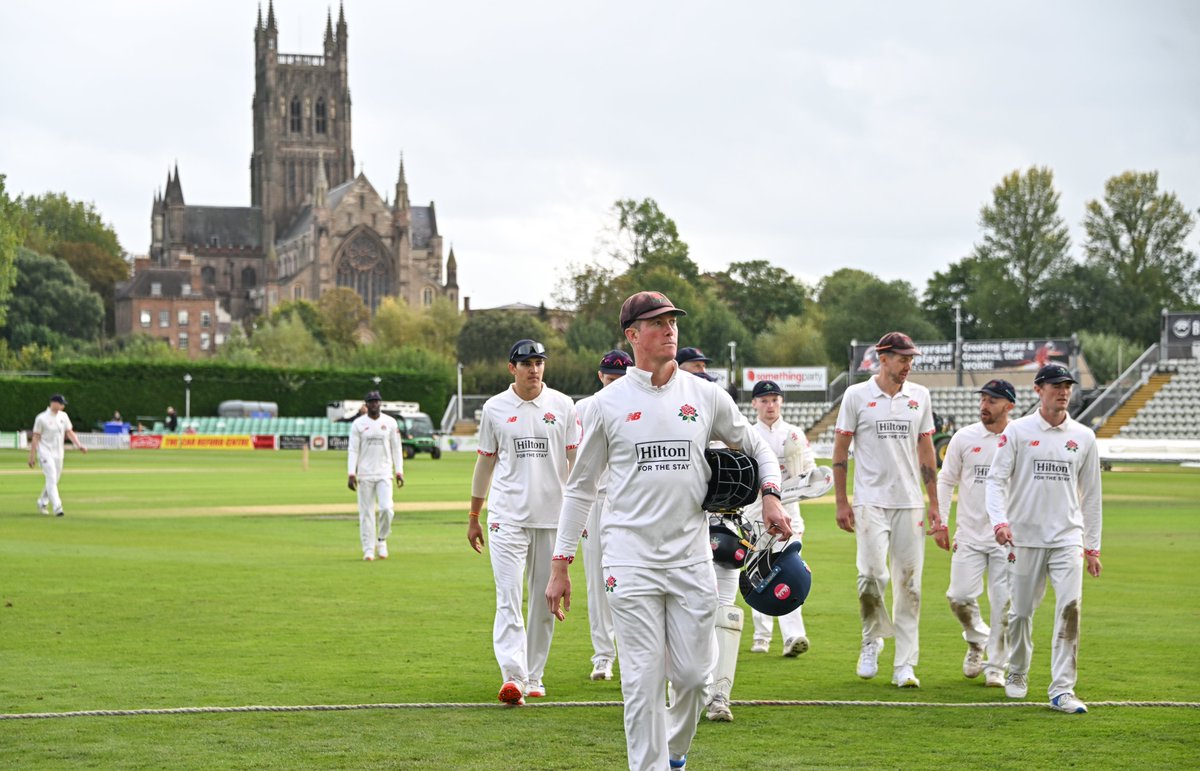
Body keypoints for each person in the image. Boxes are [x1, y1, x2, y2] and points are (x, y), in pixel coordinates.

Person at [546, 291, 792, 771]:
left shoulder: (705, 396)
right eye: (656, 322)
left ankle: (675, 751)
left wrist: (771, 493)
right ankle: (650, 767)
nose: (670, 329)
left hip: (690, 556)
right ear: (632, 335)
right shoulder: (603, 405)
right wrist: (561, 565)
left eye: (673, 320)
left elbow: (758, 447)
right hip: (628, 558)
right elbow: (579, 490)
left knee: (696, 678)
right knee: (640, 678)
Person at [467, 339, 579, 707]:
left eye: (539, 362)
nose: (534, 369)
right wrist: (474, 515)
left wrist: (580, 515)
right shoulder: (495, 408)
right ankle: (513, 677)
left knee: (545, 600)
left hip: (552, 518)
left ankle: (534, 676)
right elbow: (485, 463)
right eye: (526, 363)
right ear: (511, 368)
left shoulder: (563, 405)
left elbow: (575, 465)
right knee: (509, 596)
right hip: (506, 516)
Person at [986, 364, 1102, 714]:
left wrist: (1092, 546)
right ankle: (1018, 671)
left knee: (1071, 609)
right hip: (1024, 538)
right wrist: (999, 522)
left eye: (1067, 386)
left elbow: (1092, 495)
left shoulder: (1084, 437)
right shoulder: (1018, 431)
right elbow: (995, 480)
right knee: (1020, 613)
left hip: (1067, 537)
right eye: (1055, 386)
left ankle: (1062, 689)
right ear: (1039, 390)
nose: (1063, 392)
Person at [832, 331, 945, 689]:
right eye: (902, 359)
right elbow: (839, 451)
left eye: (911, 359)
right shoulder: (857, 395)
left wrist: (935, 503)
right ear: (883, 359)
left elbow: (927, 452)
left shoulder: (920, 396)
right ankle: (872, 638)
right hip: (869, 501)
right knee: (870, 576)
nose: (908, 365)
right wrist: (841, 500)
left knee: (909, 586)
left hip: (909, 503)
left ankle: (905, 665)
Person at [936, 378, 1017, 688]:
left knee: (1003, 604)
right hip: (969, 534)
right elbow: (946, 481)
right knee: (958, 597)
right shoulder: (964, 438)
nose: (985, 405)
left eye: (992, 401)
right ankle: (976, 640)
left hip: (1006, 538)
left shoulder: (1018, 438)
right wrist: (942, 522)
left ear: (1009, 406)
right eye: (983, 399)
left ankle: (996, 665)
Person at [744, 379, 816, 658]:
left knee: (790, 572)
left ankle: (793, 636)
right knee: (758, 573)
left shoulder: (794, 435)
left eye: (774, 400)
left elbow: (810, 473)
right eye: (764, 400)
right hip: (755, 514)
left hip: (790, 515)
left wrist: (806, 480)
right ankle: (762, 635)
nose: (770, 405)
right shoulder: (748, 435)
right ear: (754, 404)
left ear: (781, 402)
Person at [577, 348, 634, 682]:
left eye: (620, 380)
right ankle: (602, 656)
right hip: (595, 501)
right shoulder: (583, 409)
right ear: (600, 377)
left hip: (629, 502)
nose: (614, 386)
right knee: (597, 582)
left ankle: (630, 653)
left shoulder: (638, 407)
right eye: (610, 379)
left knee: (630, 578)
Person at [347, 391, 404, 561]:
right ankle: (368, 549)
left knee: (387, 509)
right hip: (364, 474)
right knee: (366, 513)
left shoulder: (390, 422)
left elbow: (397, 448)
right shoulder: (358, 424)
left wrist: (399, 471)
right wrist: (351, 473)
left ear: (380, 403)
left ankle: (382, 539)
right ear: (366, 404)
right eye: (370, 402)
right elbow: (353, 449)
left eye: (376, 401)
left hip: (384, 473)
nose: (373, 404)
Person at [28, 394, 87, 517]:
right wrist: (32, 456)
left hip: (59, 453)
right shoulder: (41, 418)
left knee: (54, 480)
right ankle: (57, 507)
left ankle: (42, 502)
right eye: (61, 403)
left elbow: (69, 432)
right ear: (54, 403)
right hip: (45, 452)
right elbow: (35, 437)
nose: (63, 406)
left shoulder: (63, 416)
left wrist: (79, 445)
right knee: (51, 477)